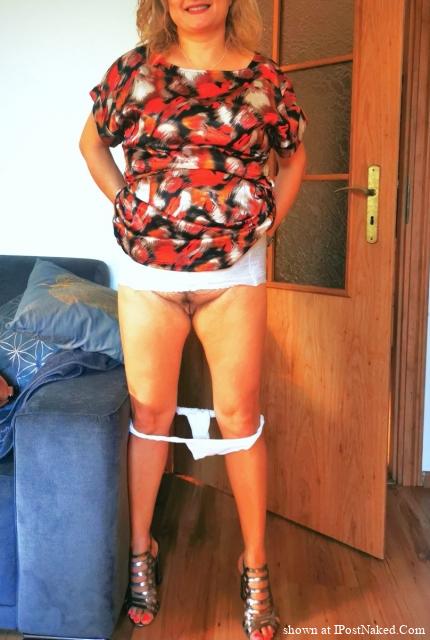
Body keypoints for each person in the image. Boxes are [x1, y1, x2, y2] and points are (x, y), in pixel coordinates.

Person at [79, 1, 308, 638]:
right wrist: (127, 202)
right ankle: (142, 551)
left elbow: (294, 157)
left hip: (232, 277)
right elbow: (91, 144)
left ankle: (254, 564)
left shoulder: (266, 79)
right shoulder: (132, 72)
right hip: (148, 276)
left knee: (240, 419)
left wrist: (267, 225)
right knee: (150, 416)